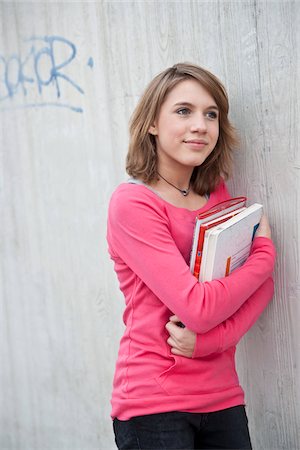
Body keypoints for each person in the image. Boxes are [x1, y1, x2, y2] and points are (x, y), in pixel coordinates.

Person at [106, 62, 276, 450]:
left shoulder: (218, 196)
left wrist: (210, 344)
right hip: (153, 405)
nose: (201, 125)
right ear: (152, 123)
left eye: (211, 114)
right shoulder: (133, 204)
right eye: (184, 111)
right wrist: (264, 258)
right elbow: (199, 308)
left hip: (224, 397)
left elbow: (258, 294)